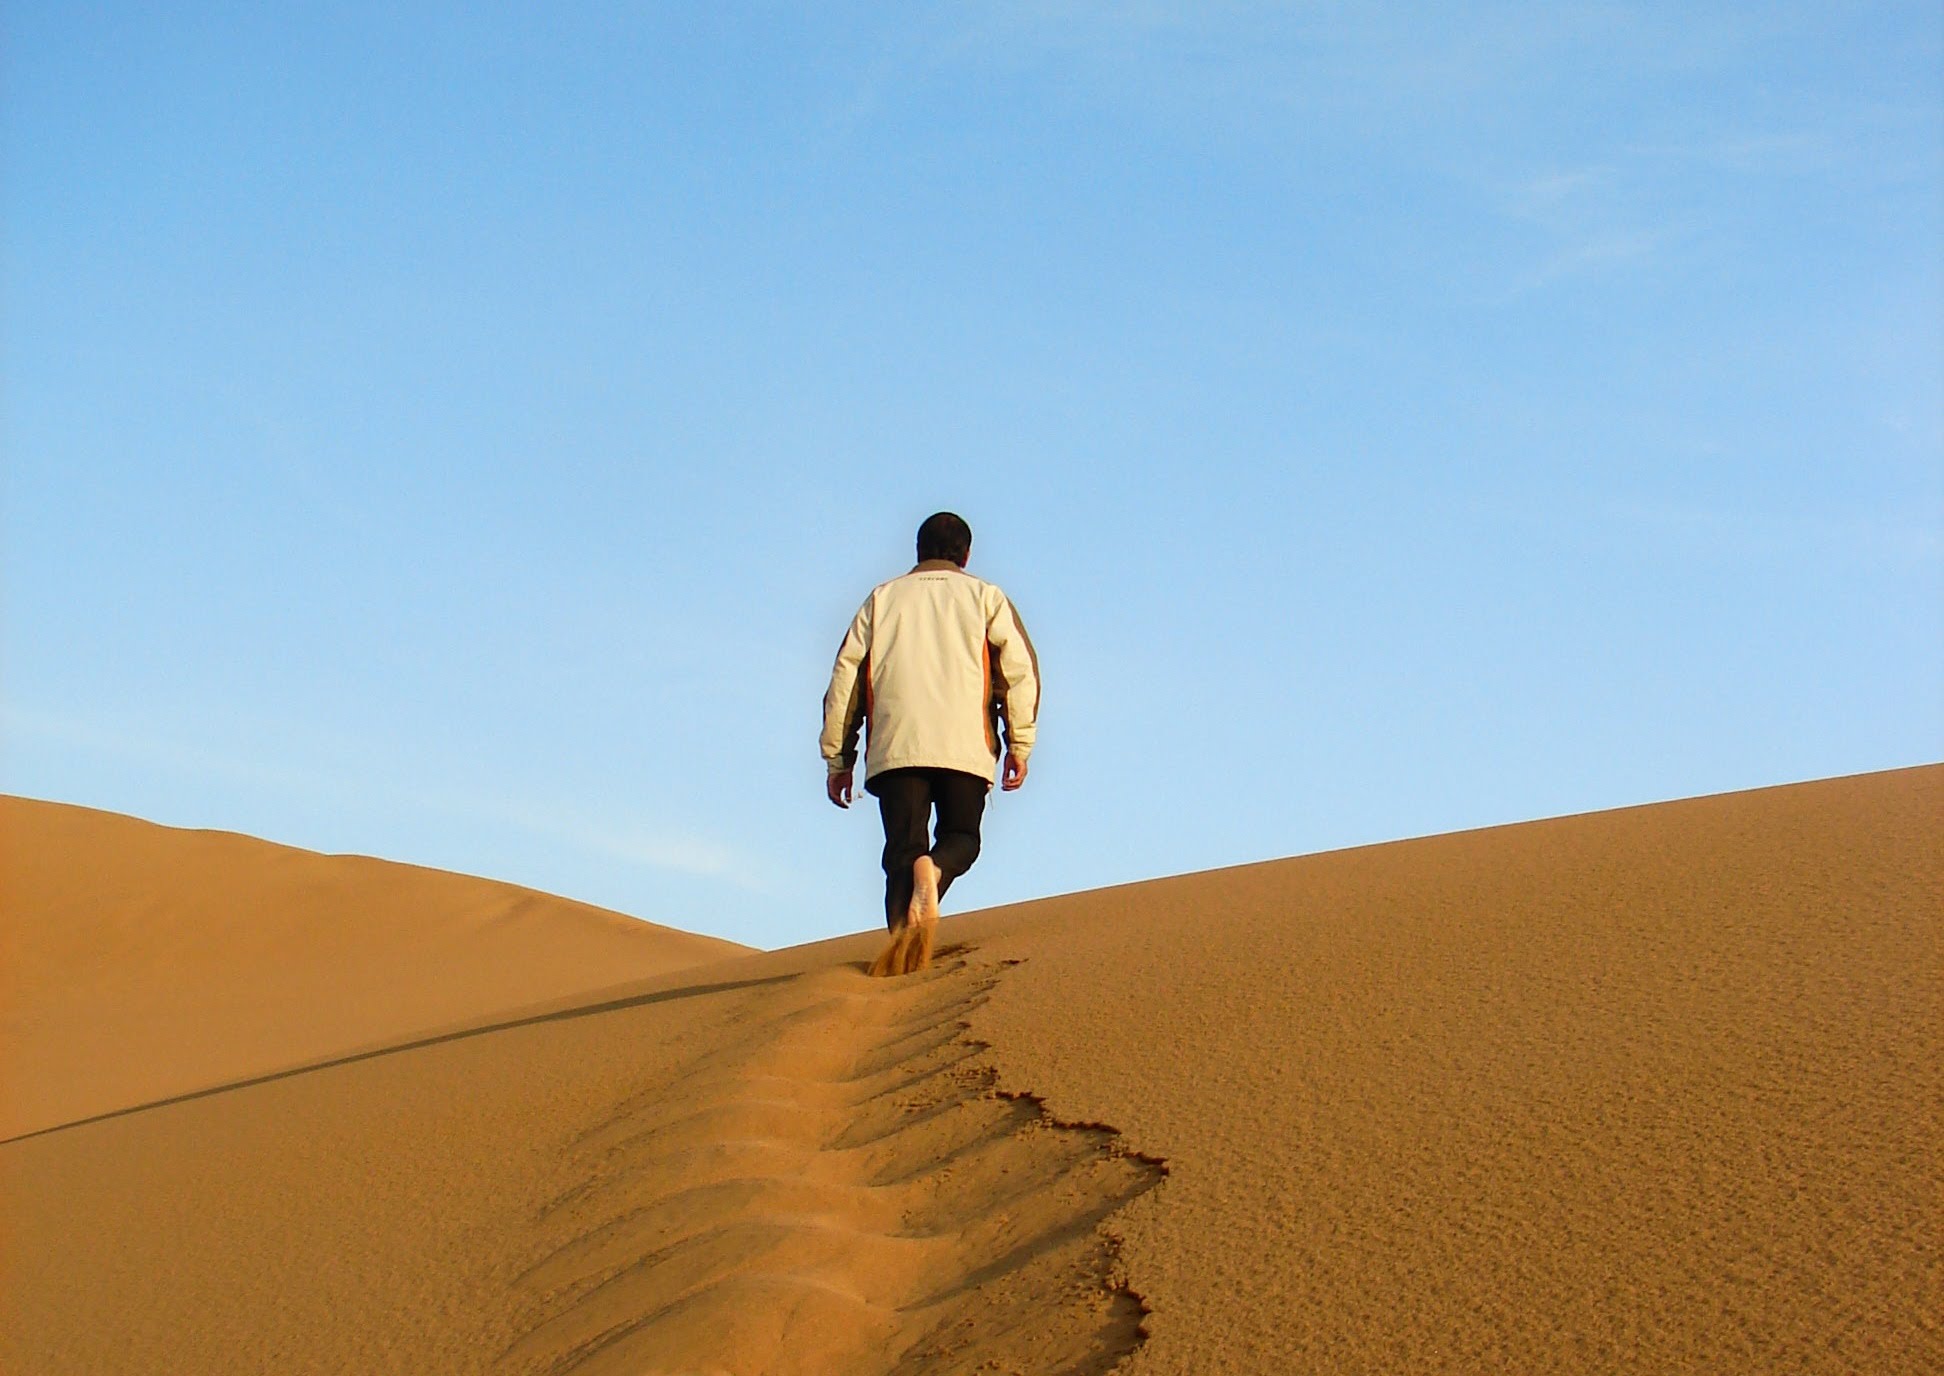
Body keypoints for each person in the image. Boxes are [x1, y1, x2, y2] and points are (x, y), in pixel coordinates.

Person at [821, 512, 1040, 976]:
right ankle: (936, 870)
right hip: (965, 747)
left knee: (902, 854)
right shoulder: (986, 597)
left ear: (918, 551)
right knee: (961, 838)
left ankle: (900, 961)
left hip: (896, 748)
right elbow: (1020, 673)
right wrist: (1019, 744)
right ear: (966, 554)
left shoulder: (882, 599)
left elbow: (846, 676)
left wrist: (838, 758)